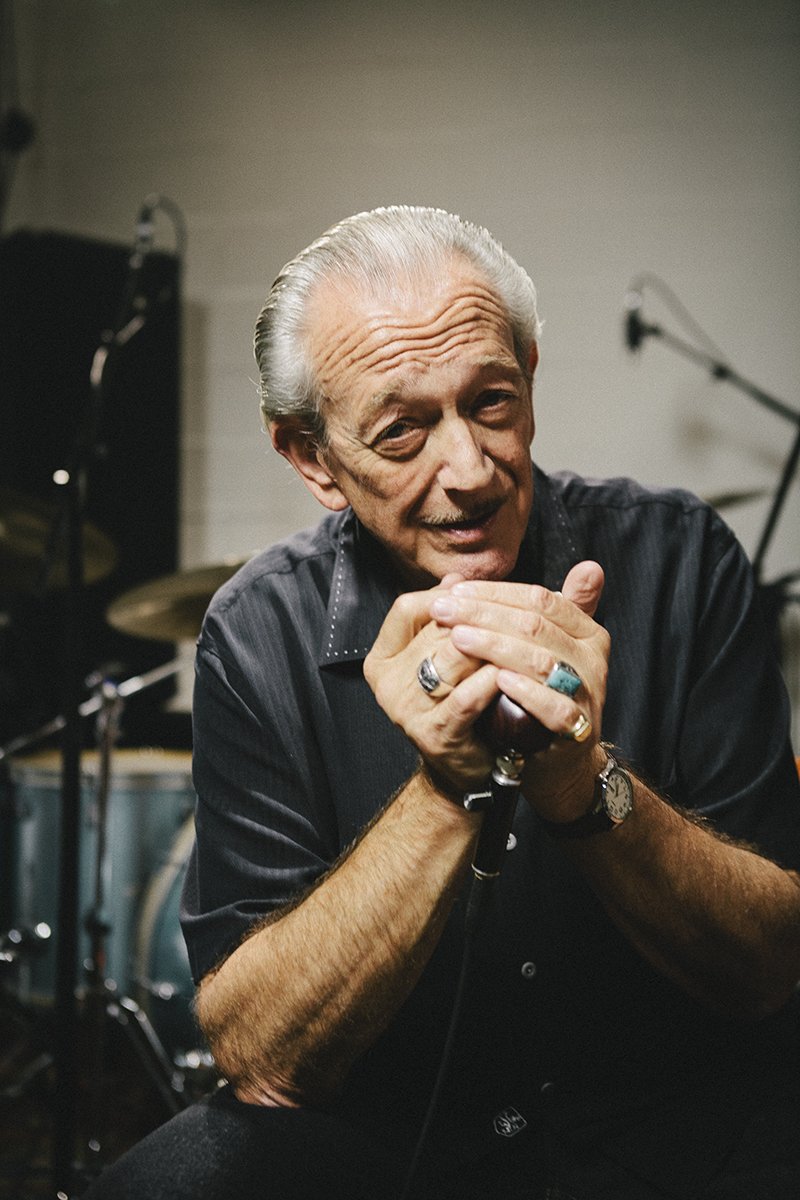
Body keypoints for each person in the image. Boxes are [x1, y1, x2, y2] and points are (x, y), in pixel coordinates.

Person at [83, 207, 800, 1200]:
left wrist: (577, 782)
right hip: (393, 1131)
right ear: (311, 457)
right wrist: (445, 786)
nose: (468, 470)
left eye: (490, 402)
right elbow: (264, 1057)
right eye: (402, 430)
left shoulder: (679, 559)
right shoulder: (257, 632)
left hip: (673, 1114)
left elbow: (769, 967)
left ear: (530, 377)